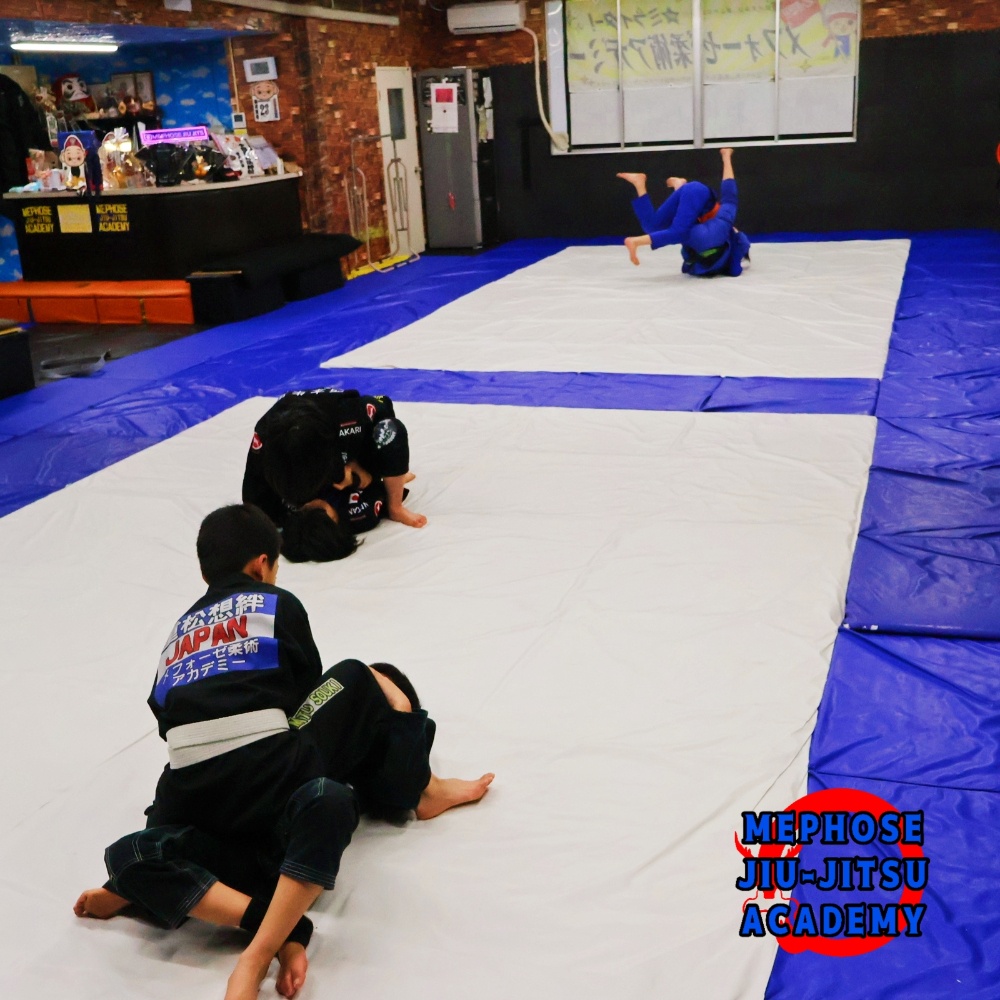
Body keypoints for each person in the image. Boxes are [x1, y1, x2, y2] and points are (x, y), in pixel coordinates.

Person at [74, 504, 493, 1000]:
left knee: (132, 852)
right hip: (270, 770)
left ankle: (144, 890)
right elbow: (305, 694)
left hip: (187, 792)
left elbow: (165, 714)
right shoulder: (274, 603)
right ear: (261, 566)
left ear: (206, 574)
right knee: (354, 675)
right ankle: (423, 791)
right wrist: (393, 702)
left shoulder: (177, 630)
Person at [242, 390, 426, 553]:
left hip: (342, 445)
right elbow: (254, 495)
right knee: (262, 511)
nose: (316, 508)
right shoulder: (358, 514)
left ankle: (396, 507)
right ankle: (390, 492)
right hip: (316, 465)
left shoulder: (348, 416)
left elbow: (385, 414)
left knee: (389, 430)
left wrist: (390, 470)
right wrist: (359, 478)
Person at [618, 147, 750, 276]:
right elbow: (729, 189)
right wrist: (726, 156)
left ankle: (640, 183)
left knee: (652, 227)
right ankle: (636, 241)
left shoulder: (709, 232)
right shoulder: (724, 219)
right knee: (679, 231)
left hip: (689, 196)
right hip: (697, 193)